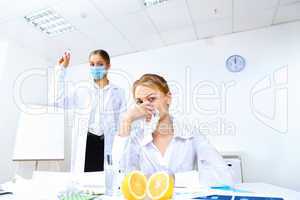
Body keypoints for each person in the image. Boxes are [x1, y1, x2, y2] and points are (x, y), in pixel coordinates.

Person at [112, 74, 233, 186]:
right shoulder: (136, 138)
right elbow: (117, 178)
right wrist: (126, 120)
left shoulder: (191, 134)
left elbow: (223, 176)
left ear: (168, 98)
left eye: (151, 99)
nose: (145, 107)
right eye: (140, 102)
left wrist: (170, 179)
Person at [50, 49, 126, 172]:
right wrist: (61, 70)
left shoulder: (118, 92)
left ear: (108, 66)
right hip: (86, 143)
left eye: (100, 64)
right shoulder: (81, 89)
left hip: (107, 143)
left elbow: (123, 124)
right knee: (83, 184)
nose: (96, 67)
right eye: (92, 64)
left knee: (105, 183)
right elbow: (57, 101)